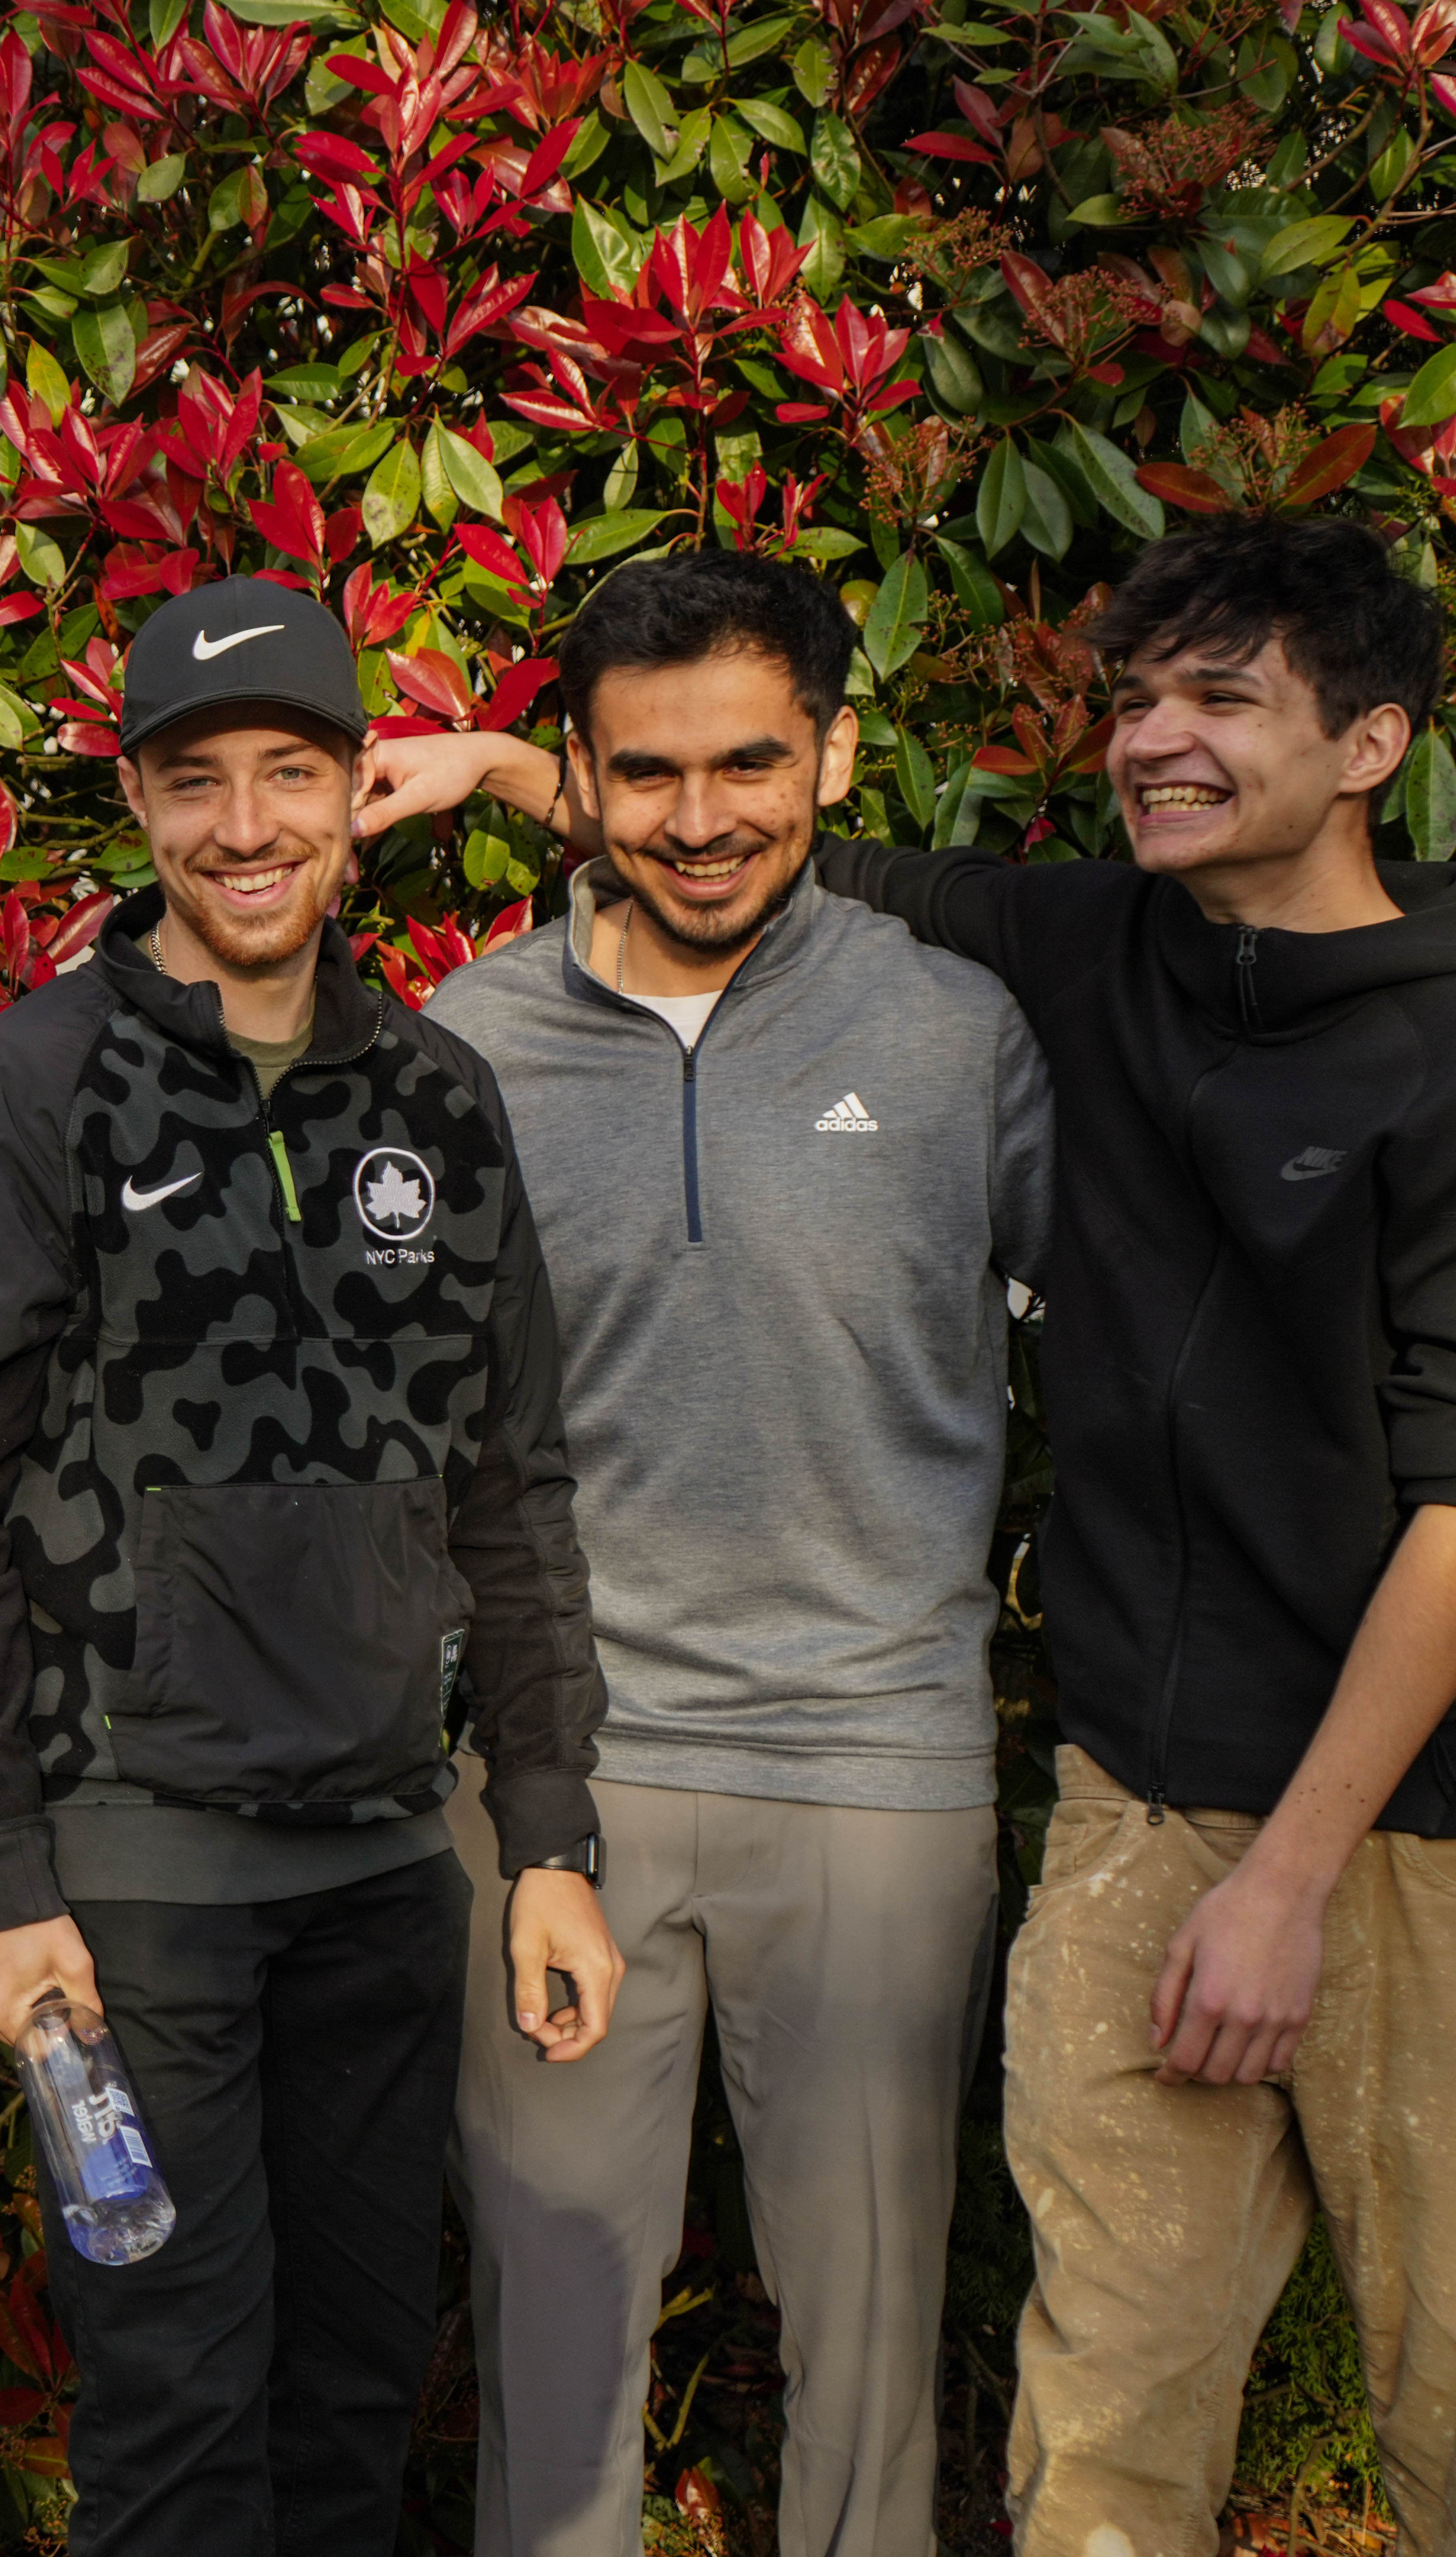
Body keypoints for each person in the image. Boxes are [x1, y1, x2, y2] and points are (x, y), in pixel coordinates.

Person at [422, 514, 1456, 2553]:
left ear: (1372, 743)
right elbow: (743, 846)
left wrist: (1289, 1873)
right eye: (1140, 699)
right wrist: (504, 769)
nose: (1159, 740)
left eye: (1223, 699)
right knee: (1072, 2439)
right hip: (1080, 1795)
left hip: (1354, 1818)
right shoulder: (1083, 954)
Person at [0, 576, 624, 2557]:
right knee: (180, 2416)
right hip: (135, 1894)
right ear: (136, 799)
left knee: (357, 2397)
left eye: (291, 772)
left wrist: (546, 1835)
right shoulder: (36, 1087)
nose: (247, 825)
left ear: (359, 789)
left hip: (382, 1870)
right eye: (197, 781)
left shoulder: (438, 1097)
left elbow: (514, 1485)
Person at [357, 550, 1050, 2557]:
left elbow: (1123, 1345)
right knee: (554, 2347)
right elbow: (403, 1434)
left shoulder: (957, 1032)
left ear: (834, 753)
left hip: (877, 1772)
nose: (701, 817)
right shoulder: (466, 1043)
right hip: (558, 1792)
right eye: (647, 773)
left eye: (751, 762)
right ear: (579, 779)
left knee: (871, 2350)